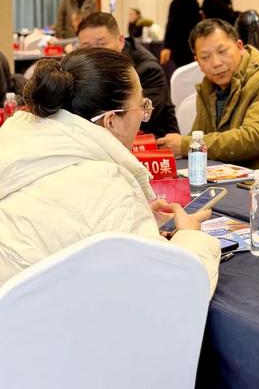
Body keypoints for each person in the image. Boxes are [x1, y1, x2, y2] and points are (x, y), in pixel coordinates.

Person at [0, 48, 220, 290]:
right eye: (141, 106)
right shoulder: (108, 187)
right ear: (111, 120)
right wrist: (190, 236)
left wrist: (138, 220)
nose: (143, 116)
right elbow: (171, 293)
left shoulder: (19, 148)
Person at [158, 19, 259, 178]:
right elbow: (200, 136)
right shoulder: (209, 86)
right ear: (197, 61)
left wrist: (185, 145)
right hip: (230, 177)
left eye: (223, 52)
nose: (216, 63)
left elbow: (254, 139)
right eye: (205, 57)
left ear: (239, 46)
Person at [77, 12, 179, 139]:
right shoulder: (86, 69)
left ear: (120, 41)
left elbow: (134, 119)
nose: (95, 52)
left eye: (102, 44)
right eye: (87, 47)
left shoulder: (147, 69)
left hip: (153, 142)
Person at [160, 0, 202, 67]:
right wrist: (166, 47)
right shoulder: (178, 2)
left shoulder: (194, 2)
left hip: (191, 46)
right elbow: (171, 25)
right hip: (180, 48)